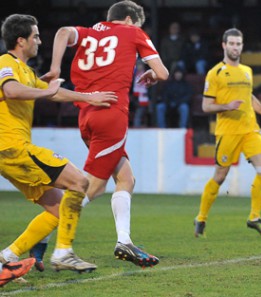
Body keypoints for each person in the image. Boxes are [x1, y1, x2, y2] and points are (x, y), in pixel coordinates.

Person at [43, 0, 169, 268]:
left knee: (126, 178)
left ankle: (124, 240)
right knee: (90, 187)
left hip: (87, 115)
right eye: (138, 24)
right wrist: (153, 75)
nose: (138, 29)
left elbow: (63, 31)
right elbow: (163, 72)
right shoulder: (133, 32)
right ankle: (42, 237)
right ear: (129, 19)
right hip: (111, 114)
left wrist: (55, 68)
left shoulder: (88, 32)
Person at [0, 14, 117, 273]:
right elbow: (11, 91)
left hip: (11, 152)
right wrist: (46, 91)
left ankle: (6, 258)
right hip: (12, 148)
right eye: (36, 36)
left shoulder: (26, 71)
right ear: (21, 41)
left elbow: (53, 91)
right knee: (80, 182)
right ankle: (63, 252)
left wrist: (88, 97)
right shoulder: (4, 63)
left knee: (57, 209)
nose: (40, 41)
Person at [194, 28, 261, 238]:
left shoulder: (247, 71)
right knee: (219, 178)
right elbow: (206, 106)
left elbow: (248, 97)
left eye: (239, 44)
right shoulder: (215, 73)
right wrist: (227, 105)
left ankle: (254, 217)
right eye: (232, 44)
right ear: (224, 45)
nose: (235, 47)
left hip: (250, 130)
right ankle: (201, 217)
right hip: (228, 133)